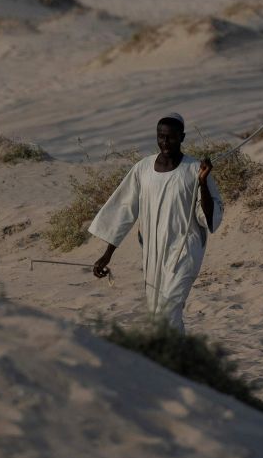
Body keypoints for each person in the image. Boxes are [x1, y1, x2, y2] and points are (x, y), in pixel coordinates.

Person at [89, 114, 219, 331]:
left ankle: (174, 361)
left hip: (185, 250)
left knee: (168, 311)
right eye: (161, 137)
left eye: (171, 138)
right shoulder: (143, 168)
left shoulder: (195, 169)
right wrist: (107, 254)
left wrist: (203, 184)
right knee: (159, 315)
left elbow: (207, 216)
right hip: (153, 252)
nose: (165, 143)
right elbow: (123, 210)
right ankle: (176, 361)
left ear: (182, 137)